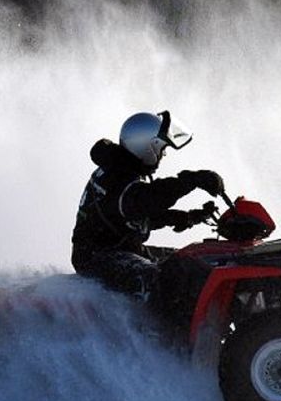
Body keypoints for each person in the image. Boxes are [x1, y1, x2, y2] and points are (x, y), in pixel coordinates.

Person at [71, 110, 224, 300]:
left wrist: (186, 217)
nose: (163, 155)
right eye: (162, 149)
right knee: (168, 281)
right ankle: (164, 329)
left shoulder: (121, 169)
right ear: (147, 147)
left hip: (120, 249)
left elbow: (134, 216)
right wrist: (194, 180)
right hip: (99, 258)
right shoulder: (118, 179)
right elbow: (151, 198)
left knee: (189, 261)